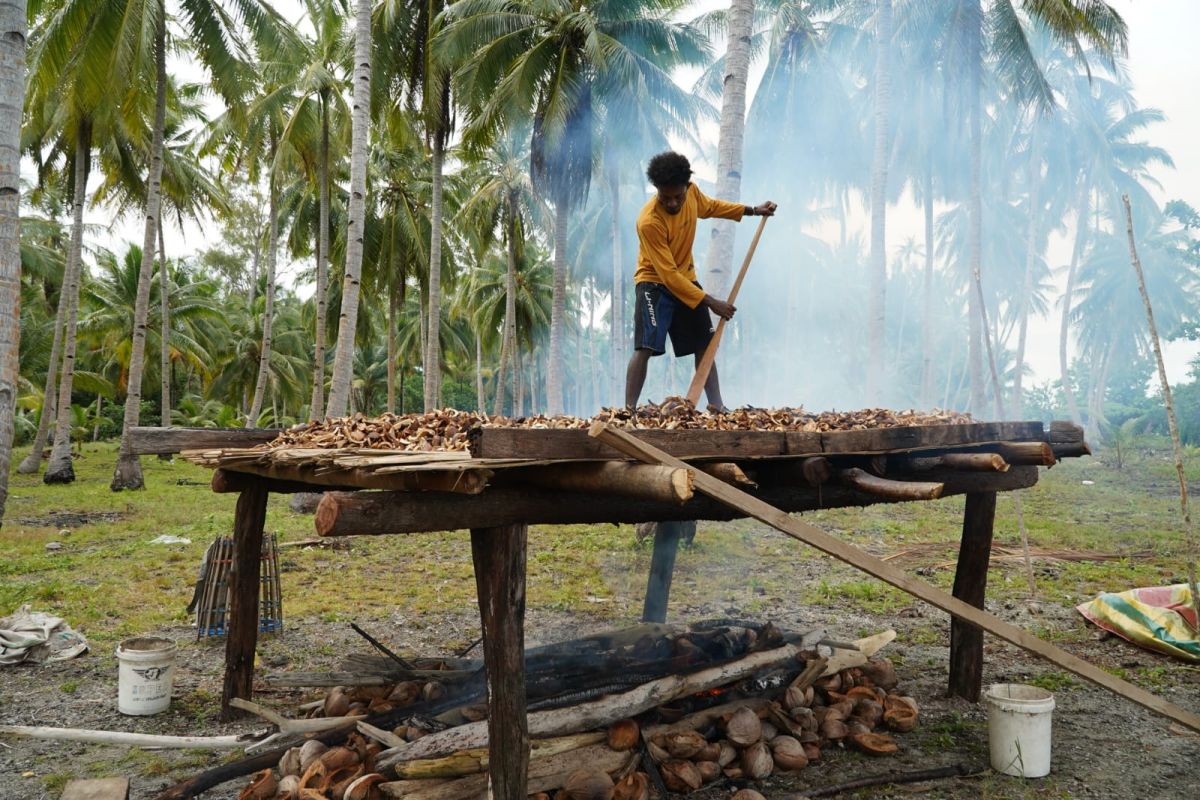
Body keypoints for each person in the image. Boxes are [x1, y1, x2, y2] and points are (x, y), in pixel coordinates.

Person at [625, 151, 777, 411]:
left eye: (678, 197)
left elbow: (713, 207)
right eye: (665, 198)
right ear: (657, 191)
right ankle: (628, 410)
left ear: (687, 187)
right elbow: (668, 276)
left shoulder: (693, 194)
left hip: (685, 278)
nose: (673, 204)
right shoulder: (649, 221)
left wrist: (753, 210)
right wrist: (711, 302)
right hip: (654, 282)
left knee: (704, 345)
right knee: (645, 346)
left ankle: (716, 405)